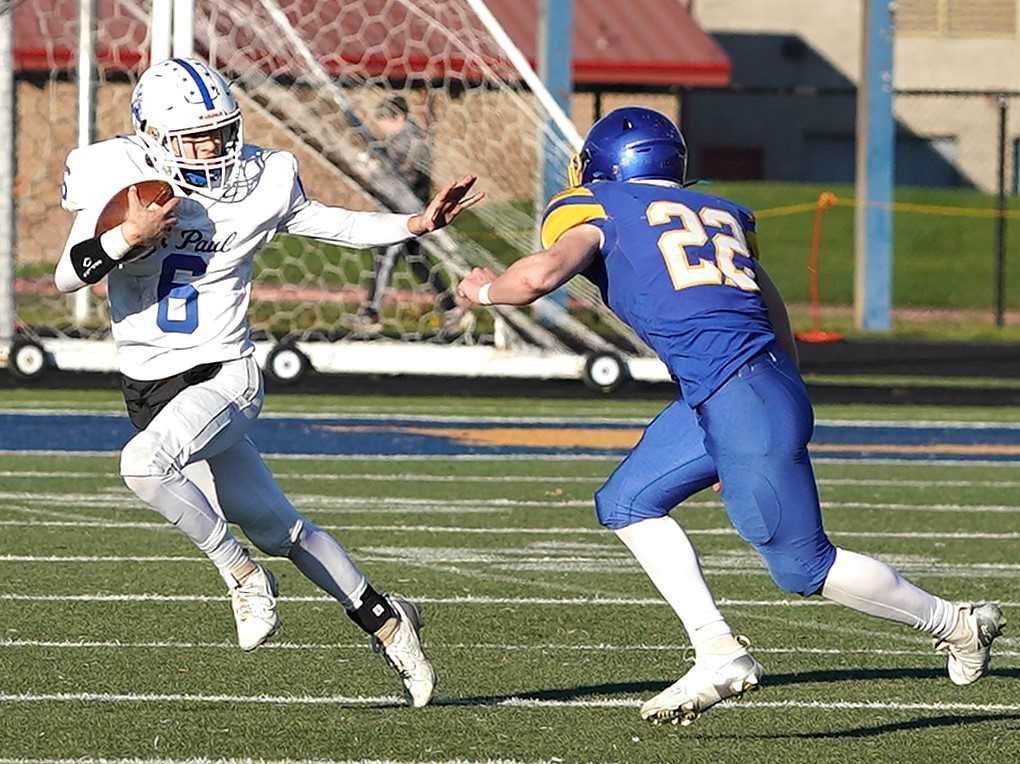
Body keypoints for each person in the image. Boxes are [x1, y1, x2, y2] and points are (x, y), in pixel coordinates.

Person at [456, 107, 1005, 726]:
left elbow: (540, 276)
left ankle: (957, 624)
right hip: (744, 391)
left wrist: (481, 289)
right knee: (627, 502)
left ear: (608, 164)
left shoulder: (598, 207)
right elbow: (772, 307)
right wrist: (746, 422)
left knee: (803, 568)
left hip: (737, 397)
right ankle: (715, 647)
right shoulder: (722, 213)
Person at [55, 58, 482, 707]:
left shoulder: (265, 177)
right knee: (280, 527)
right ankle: (389, 620)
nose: (217, 149)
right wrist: (124, 237)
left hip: (225, 372)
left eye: (223, 132)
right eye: (198, 137)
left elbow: (328, 222)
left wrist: (412, 225)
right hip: (149, 387)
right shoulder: (115, 172)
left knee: (143, 466)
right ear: (152, 136)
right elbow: (69, 273)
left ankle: (242, 577)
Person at [356, 95, 464, 334]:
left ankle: (370, 314)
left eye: (384, 119)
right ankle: (450, 308)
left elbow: (407, 177)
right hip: (406, 210)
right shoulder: (402, 138)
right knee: (417, 262)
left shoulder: (410, 139)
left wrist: (373, 172)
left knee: (385, 257)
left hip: (404, 212)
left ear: (399, 117)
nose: (381, 125)